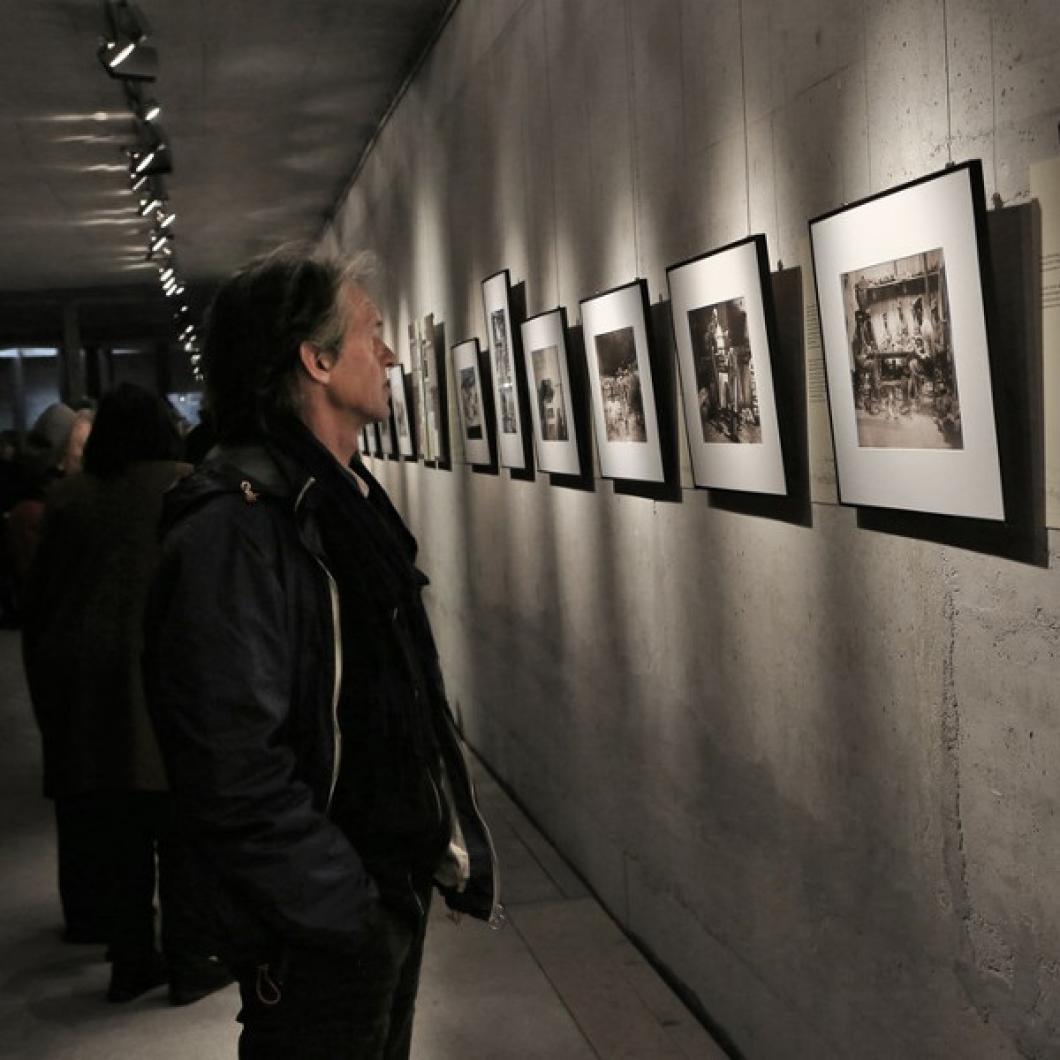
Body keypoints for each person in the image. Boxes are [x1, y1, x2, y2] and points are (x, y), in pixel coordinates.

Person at [143, 246, 500, 1059]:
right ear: (317, 359)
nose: (392, 354)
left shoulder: (336, 503)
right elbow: (233, 770)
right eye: (372, 332)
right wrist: (347, 911)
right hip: (318, 930)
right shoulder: (234, 534)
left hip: (374, 897)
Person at [21, 384, 231, 1003]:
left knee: (120, 830)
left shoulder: (69, 498)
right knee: (184, 824)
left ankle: (131, 956)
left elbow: (44, 599)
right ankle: (193, 956)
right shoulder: (187, 485)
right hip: (174, 673)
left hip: (92, 684)